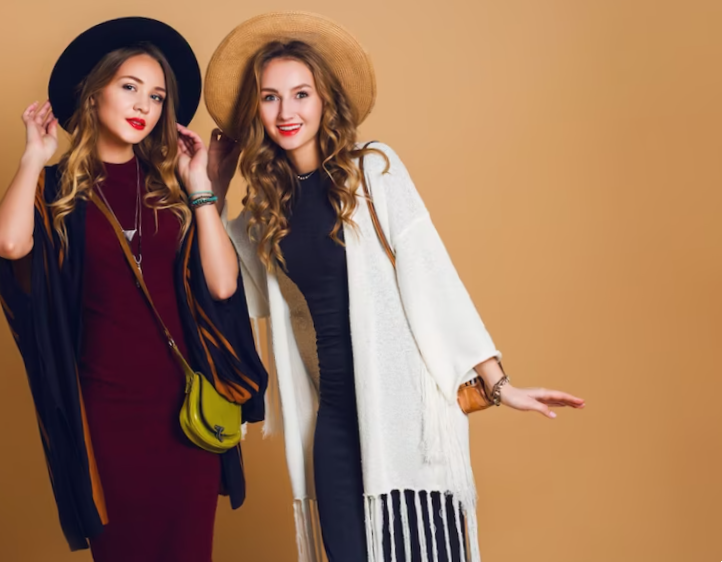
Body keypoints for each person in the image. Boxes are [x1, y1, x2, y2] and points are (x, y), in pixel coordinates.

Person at [204, 11, 584, 562]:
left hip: (406, 422)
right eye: (270, 97)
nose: (286, 112)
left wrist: (499, 385)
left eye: (301, 94)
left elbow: (434, 274)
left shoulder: (372, 172)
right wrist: (212, 190)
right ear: (255, 109)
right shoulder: (265, 212)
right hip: (333, 421)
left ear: (325, 100)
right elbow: (220, 283)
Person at [0, 17, 267, 561]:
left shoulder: (172, 186)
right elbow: (9, 245)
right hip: (105, 417)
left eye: (157, 95)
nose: (144, 104)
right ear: (94, 93)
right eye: (129, 87)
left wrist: (201, 190)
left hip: (185, 410)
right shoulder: (56, 191)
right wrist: (33, 155)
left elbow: (221, 283)